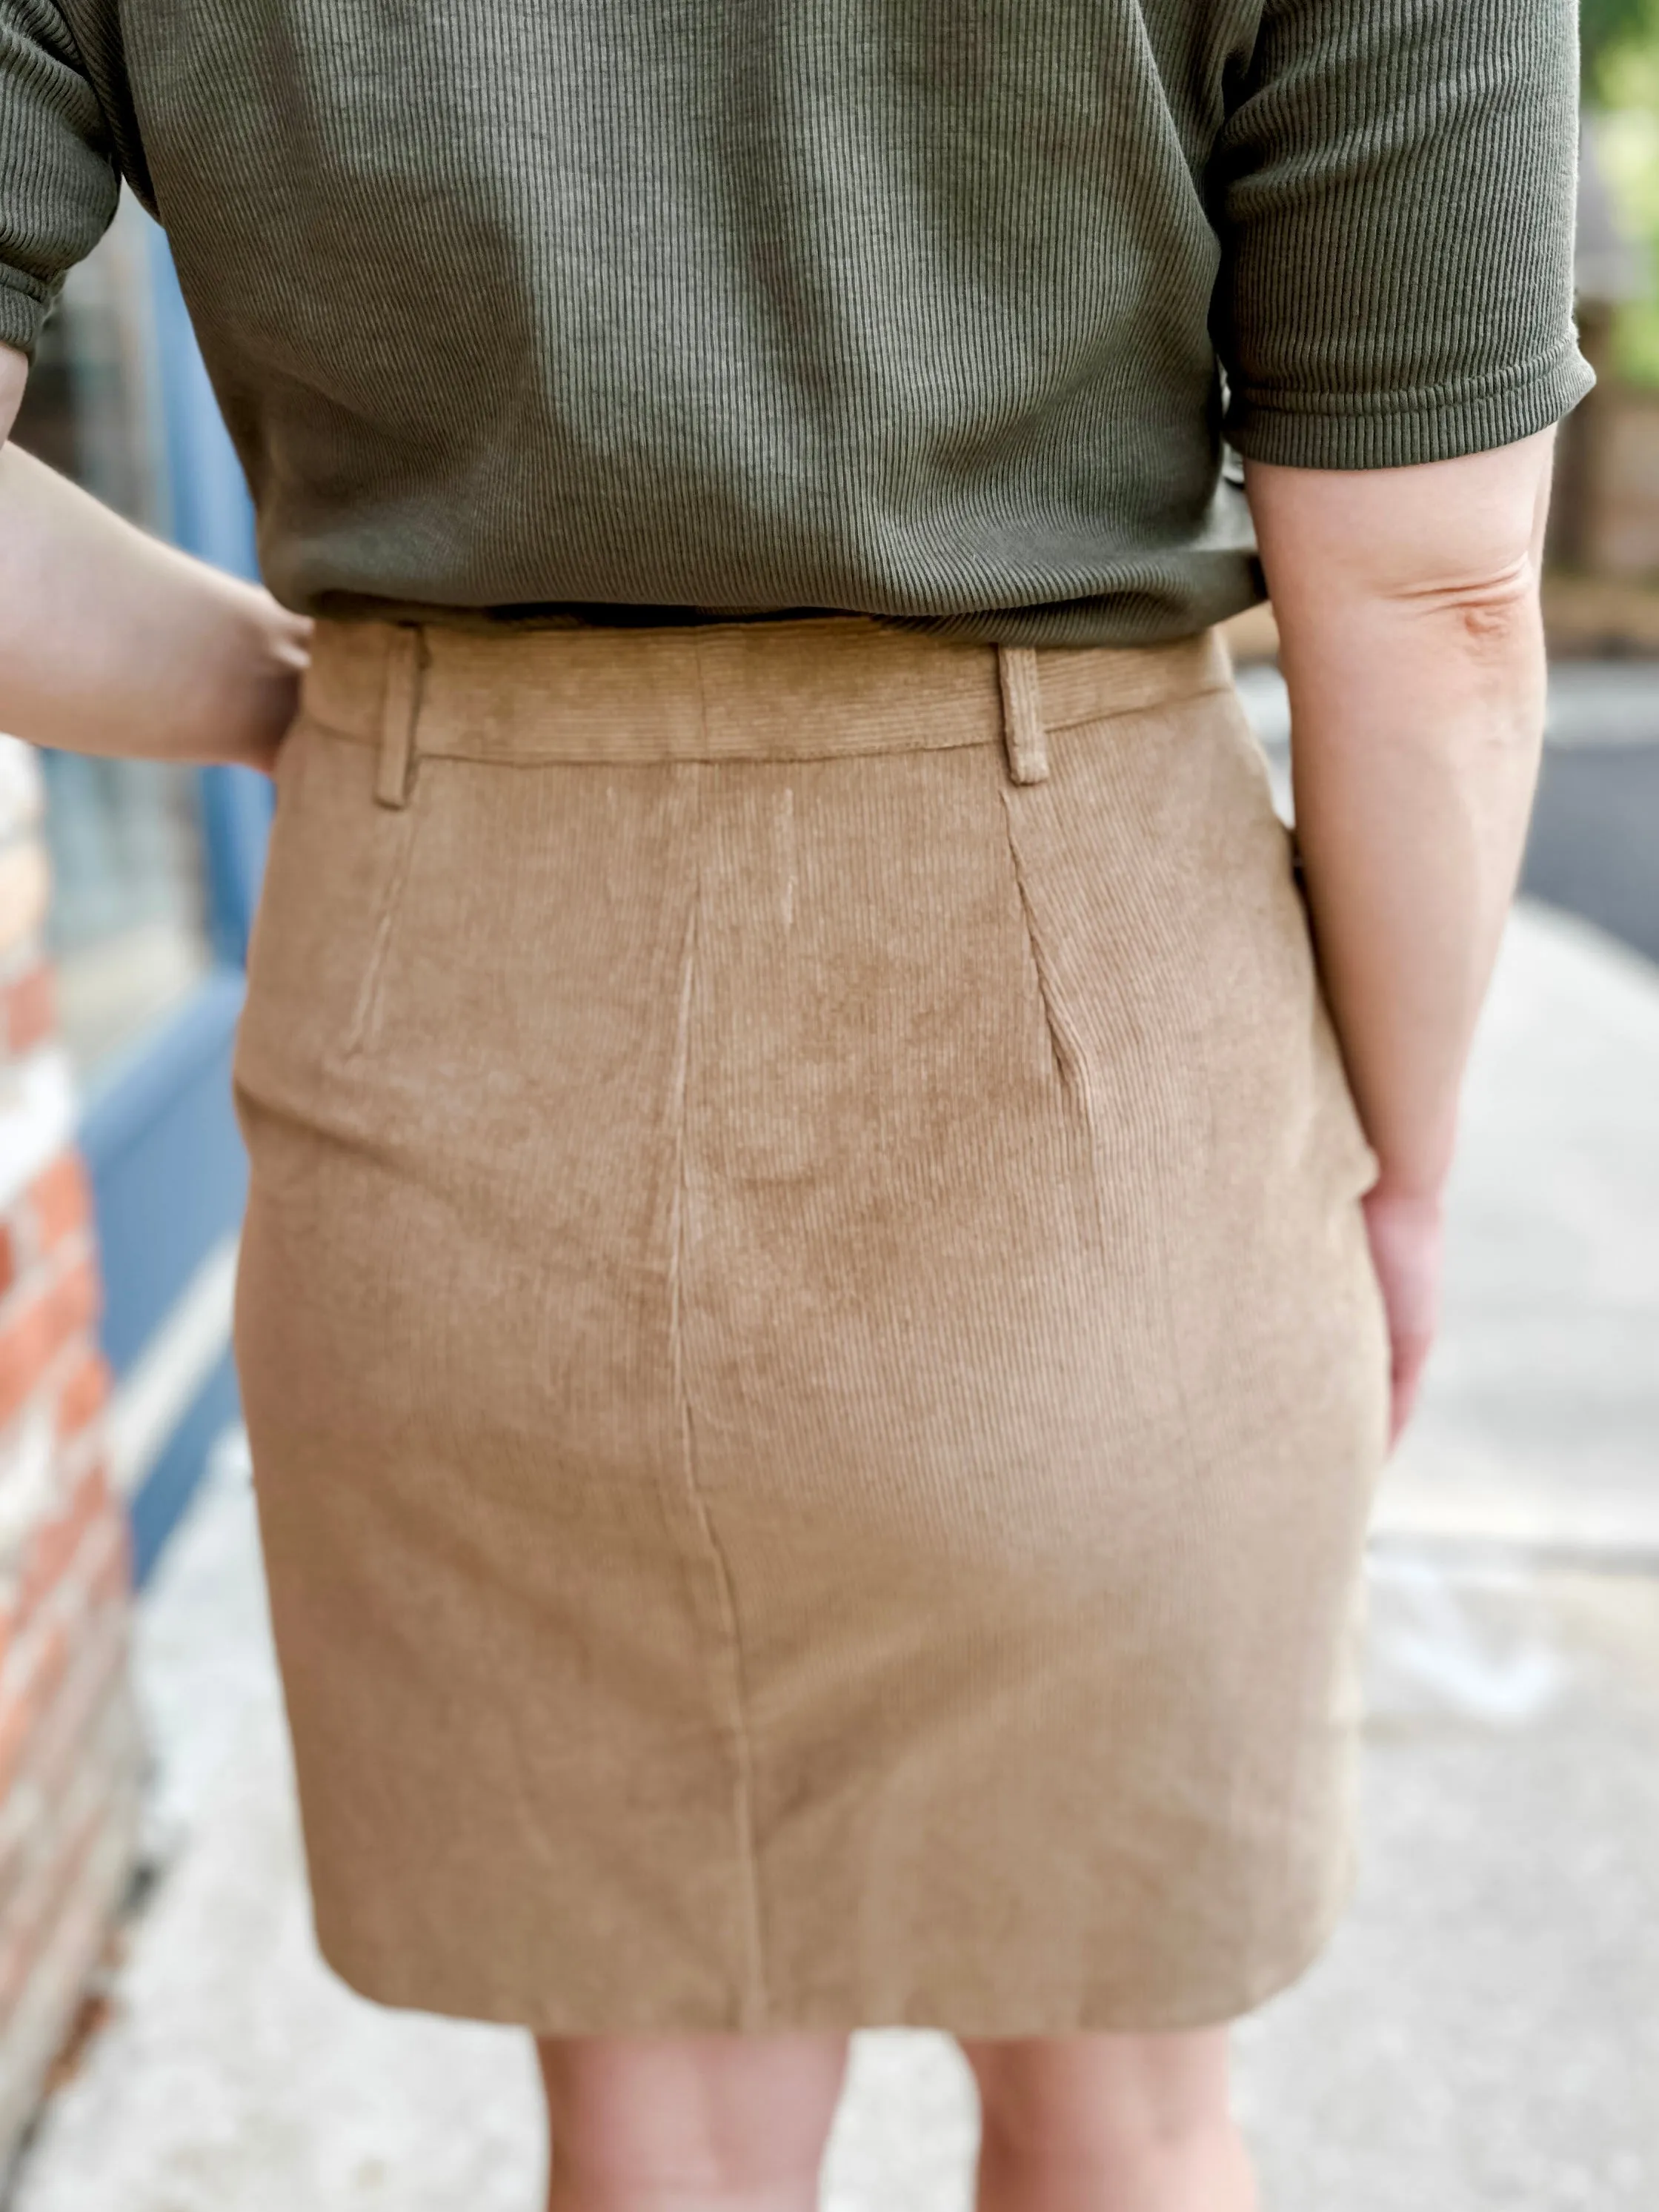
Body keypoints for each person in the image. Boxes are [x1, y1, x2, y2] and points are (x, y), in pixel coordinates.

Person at [0, 2, 1587, 2206]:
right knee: (1117, 2102)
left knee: (659, 2122)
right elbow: (1432, 594)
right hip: (1087, 1031)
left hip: (445, 979)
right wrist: (1392, 1166)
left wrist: (295, 703)